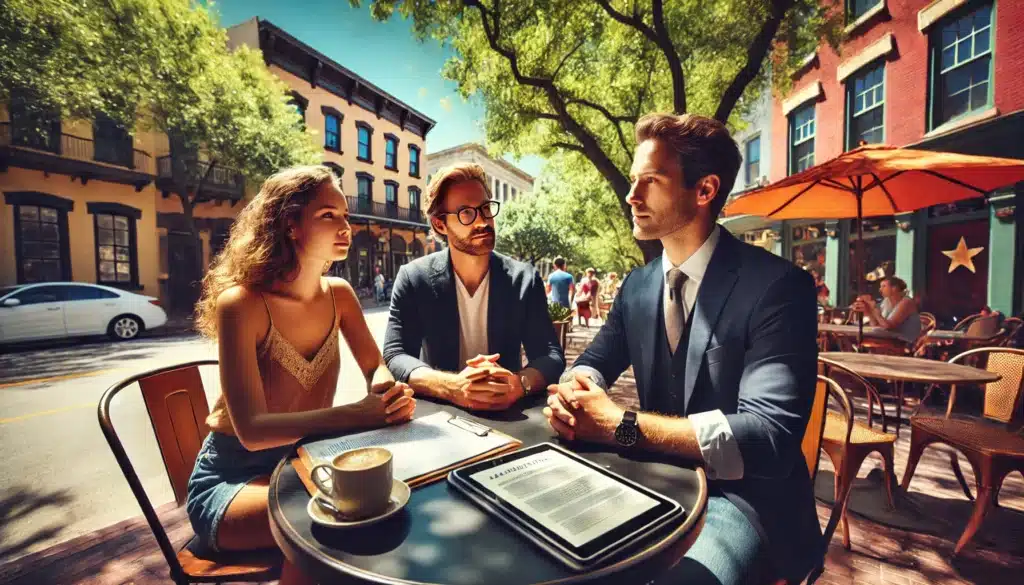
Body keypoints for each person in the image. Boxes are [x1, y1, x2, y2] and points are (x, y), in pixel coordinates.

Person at [544, 113, 821, 585]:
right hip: (655, 485)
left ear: (705, 190)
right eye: (634, 180)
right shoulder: (637, 285)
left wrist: (619, 426)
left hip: (744, 502)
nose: (632, 196)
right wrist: (576, 390)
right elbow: (595, 360)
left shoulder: (779, 287)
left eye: (650, 181)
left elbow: (768, 437)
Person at [187, 166, 416, 585]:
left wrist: (384, 389)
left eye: (345, 216)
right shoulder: (242, 303)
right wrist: (357, 414)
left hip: (305, 467)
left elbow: (376, 365)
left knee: (387, 503)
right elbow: (253, 431)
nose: (345, 226)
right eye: (328, 215)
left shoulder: (341, 295)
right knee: (331, 521)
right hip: (232, 480)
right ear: (290, 224)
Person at [383, 163, 565, 412]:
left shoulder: (524, 279)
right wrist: (452, 386)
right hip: (441, 417)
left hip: (509, 413)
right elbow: (395, 355)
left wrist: (518, 384)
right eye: (466, 213)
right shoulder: (414, 278)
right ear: (439, 225)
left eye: (486, 208)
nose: (482, 220)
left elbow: (551, 355)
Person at [852, 276, 921, 343]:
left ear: (894, 288)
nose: (880, 289)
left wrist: (874, 309)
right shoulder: (886, 302)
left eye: (884, 286)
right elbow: (876, 325)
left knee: (862, 337)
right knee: (859, 336)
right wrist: (870, 311)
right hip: (893, 339)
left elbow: (888, 326)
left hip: (905, 342)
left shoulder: (906, 302)